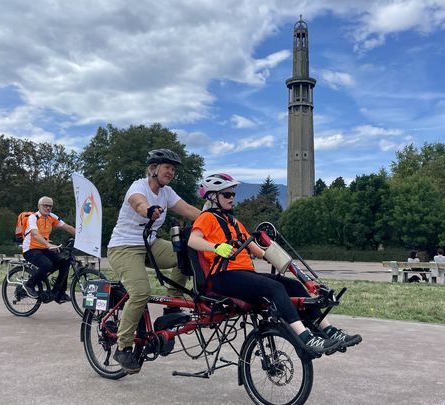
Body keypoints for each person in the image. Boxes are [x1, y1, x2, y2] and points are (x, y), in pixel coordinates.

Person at [187, 173, 362, 357]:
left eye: (233, 194)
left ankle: (329, 330)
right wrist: (216, 247)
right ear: (213, 197)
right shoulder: (206, 218)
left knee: (293, 285)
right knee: (275, 288)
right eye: (227, 195)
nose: (232, 198)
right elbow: (193, 240)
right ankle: (305, 338)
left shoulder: (235, 222)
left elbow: (256, 249)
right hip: (223, 277)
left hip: (244, 274)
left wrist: (278, 260)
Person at [109, 148, 201, 374]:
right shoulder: (138, 187)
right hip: (124, 246)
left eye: (173, 169)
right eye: (167, 167)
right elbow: (139, 203)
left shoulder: (167, 192)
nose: (171, 172)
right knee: (140, 292)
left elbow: (189, 211)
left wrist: (216, 219)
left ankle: (172, 305)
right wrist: (147, 210)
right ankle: (123, 347)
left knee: (187, 251)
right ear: (153, 169)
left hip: (149, 244)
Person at [22, 196, 76, 303]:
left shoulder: (51, 217)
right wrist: (48, 245)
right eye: (45, 205)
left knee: (64, 263)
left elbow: (67, 227)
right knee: (47, 265)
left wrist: (84, 237)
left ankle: (58, 293)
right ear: (39, 206)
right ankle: (29, 285)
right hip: (30, 249)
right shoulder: (33, 217)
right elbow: (35, 234)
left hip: (43, 248)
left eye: (50, 206)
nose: (48, 208)